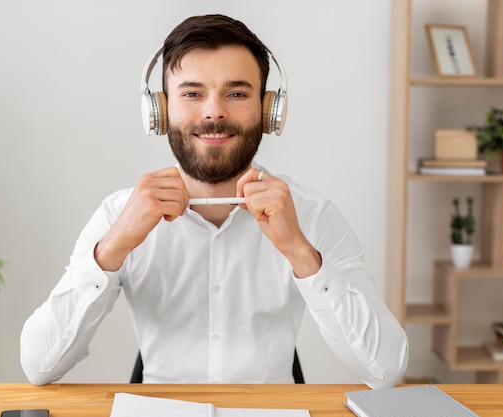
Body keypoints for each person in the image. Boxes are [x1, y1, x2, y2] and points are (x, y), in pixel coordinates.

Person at [20, 14, 408, 388]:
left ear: (270, 109)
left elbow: (386, 369)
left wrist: (300, 253)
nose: (214, 111)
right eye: (192, 93)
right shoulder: (118, 214)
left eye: (236, 93)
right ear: (159, 110)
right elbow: (39, 366)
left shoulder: (311, 214)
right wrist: (112, 248)